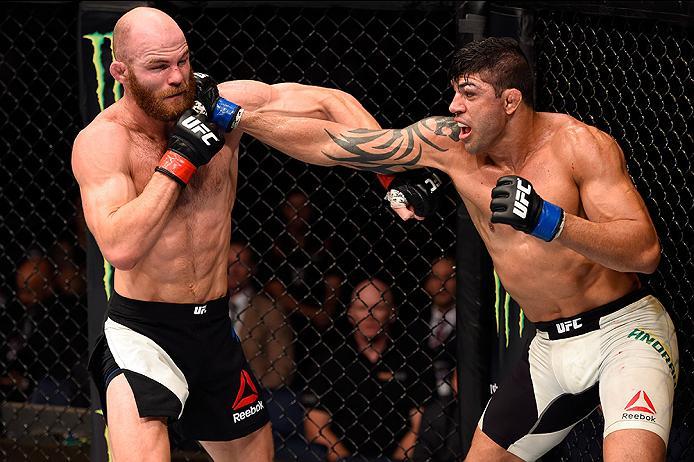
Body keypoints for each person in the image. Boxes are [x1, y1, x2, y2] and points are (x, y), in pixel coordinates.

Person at [234, 37, 678, 462]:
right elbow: (334, 143)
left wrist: (549, 219)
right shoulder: (450, 144)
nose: (453, 107)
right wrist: (239, 118)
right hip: (548, 346)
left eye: (469, 94)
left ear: (509, 102)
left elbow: (644, 252)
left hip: (624, 331)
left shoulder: (579, 145)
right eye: (453, 93)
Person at [71, 6, 380, 461]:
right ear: (121, 71)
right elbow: (121, 247)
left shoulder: (221, 104)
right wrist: (178, 161)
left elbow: (330, 102)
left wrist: (391, 175)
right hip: (144, 334)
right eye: (159, 66)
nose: (178, 77)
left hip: (213, 328)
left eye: (183, 60)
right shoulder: (105, 141)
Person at [302, 278, 434, 462]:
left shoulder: (413, 358)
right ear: (350, 314)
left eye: (378, 307)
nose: (369, 315)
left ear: (392, 312)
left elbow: (419, 426)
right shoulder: (329, 359)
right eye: (362, 308)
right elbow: (315, 425)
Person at [424, 256, 457, 399]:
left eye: (448, 277)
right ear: (426, 284)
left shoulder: (470, 324)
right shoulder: (417, 323)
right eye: (435, 278)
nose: (442, 284)